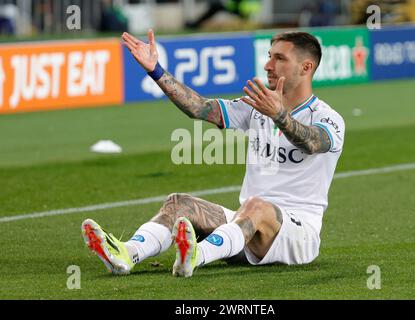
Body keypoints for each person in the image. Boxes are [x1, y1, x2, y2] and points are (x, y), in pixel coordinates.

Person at [81, 29, 345, 277]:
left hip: (299, 235)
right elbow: (200, 108)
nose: (268, 66)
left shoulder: (328, 118)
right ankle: (127, 254)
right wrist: (156, 70)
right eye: (269, 57)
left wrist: (278, 115)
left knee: (257, 206)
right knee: (179, 203)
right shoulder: (257, 108)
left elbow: (312, 142)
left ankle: (197, 255)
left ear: (306, 67)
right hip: (246, 226)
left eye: (279, 58)